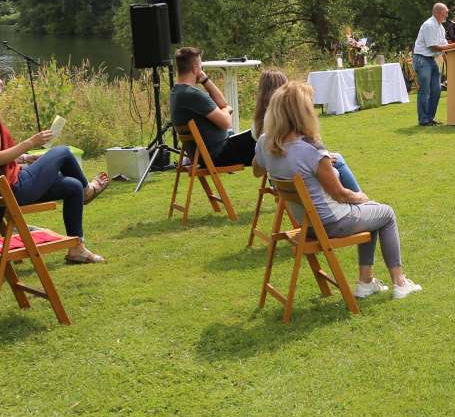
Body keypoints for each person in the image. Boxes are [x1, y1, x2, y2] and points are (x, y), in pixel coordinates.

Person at [254, 81, 417, 298]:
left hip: (307, 224)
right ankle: (399, 282)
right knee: (385, 213)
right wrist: (360, 196)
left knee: (372, 212)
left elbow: (257, 170)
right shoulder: (310, 152)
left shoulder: (266, 143)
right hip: (331, 222)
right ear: (302, 113)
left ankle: (366, 281)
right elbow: (339, 194)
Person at [0, 58, 108, 265]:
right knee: (63, 152)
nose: (2, 81)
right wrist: (31, 142)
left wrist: (26, 158)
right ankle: (88, 191)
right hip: (12, 188)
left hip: (5, 184)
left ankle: (77, 249)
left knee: (71, 186)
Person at [254, 69, 361, 191]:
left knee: (336, 158)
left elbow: (259, 168)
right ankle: (363, 201)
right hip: (296, 178)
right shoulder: (283, 120)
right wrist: (319, 160)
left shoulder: (260, 124)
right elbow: (295, 154)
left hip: (280, 178)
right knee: (338, 161)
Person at [171, 46, 258, 165]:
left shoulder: (176, 92)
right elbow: (226, 122)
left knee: (265, 139)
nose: (202, 69)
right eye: (201, 66)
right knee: (267, 139)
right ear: (195, 68)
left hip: (205, 155)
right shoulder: (193, 95)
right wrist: (226, 110)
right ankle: (282, 181)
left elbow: (223, 103)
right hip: (219, 154)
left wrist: (205, 80)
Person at [414, 2, 455, 121]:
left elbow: (444, 44)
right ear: (438, 12)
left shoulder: (440, 26)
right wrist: (454, 45)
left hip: (431, 60)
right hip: (422, 59)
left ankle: (430, 118)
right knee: (425, 90)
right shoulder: (429, 25)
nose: (447, 14)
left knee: (437, 89)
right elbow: (433, 47)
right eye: (446, 12)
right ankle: (423, 120)